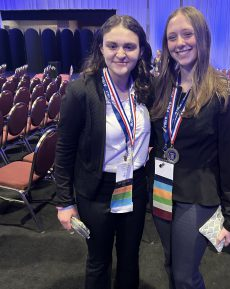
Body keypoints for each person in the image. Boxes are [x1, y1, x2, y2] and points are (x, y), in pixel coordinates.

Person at [150, 6, 230, 289]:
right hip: (161, 188)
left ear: (202, 37)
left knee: (185, 275)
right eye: (172, 37)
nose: (180, 43)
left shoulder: (225, 93)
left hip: (196, 195)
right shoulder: (162, 87)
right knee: (170, 265)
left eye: (187, 34)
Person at [54, 15, 152, 289]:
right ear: (101, 48)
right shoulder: (80, 91)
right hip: (95, 190)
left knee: (130, 258)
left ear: (141, 50)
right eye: (112, 46)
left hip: (134, 187)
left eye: (129, 47)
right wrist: (64, 202)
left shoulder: (146, 89)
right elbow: (64, 150)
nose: (121, 54)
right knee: (98, 260)